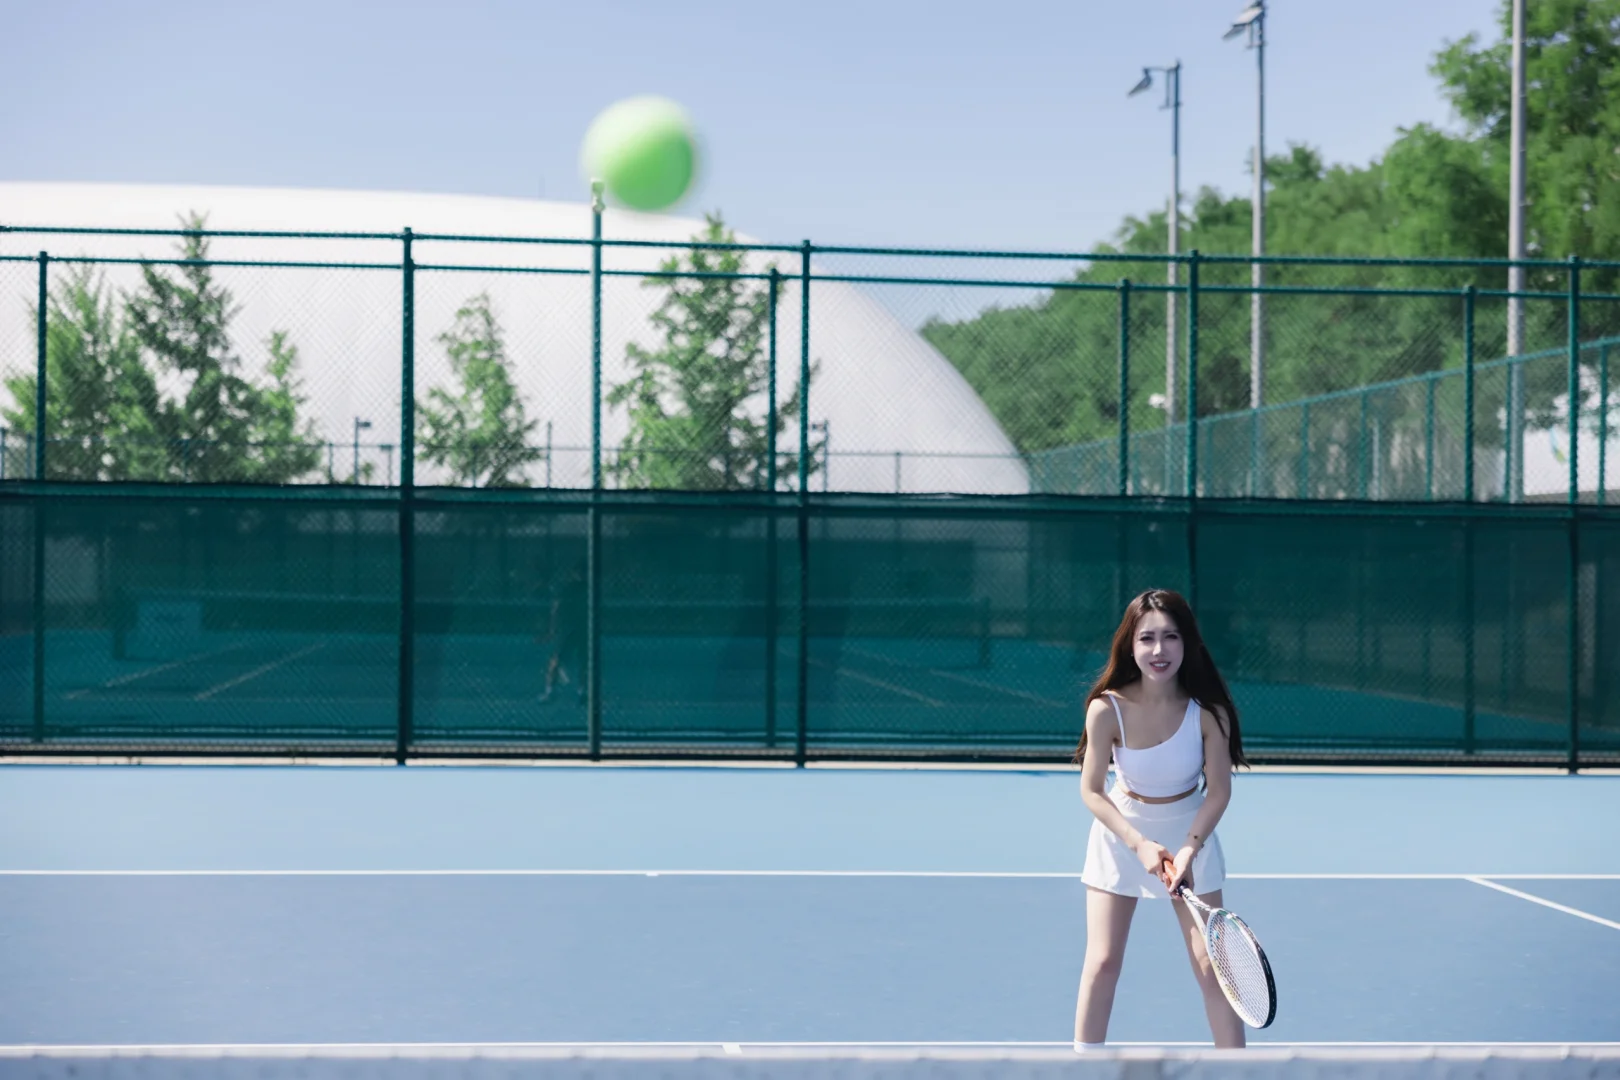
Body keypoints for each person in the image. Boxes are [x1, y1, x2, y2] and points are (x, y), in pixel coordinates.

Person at [1072, 589, 1249, 1051]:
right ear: (1130, 645)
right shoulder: (1105, 710)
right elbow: (1092, 791)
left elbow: (1220, 792)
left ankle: (1237, 1070)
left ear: (1187, 643)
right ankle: (1082, 1068)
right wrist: (1140, 844)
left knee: (1214, 967)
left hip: (1193, 833)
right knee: (1104, 961)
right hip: (1122, 835)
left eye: (1171, 637)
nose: (1159, 650)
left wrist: (1188, 848)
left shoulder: (1209, 714)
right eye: (1147, 638)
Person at [539, 561, 587, 705]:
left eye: (584, 572)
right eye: (579, 572)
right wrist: (553, 630)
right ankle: (551, 691)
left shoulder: (589, 589)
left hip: (583, 630)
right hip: (567, 630)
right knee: (556, 660)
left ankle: (583, 692)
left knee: (584, 662)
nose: (581, 575)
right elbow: (556, 609)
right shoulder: (566, 589)